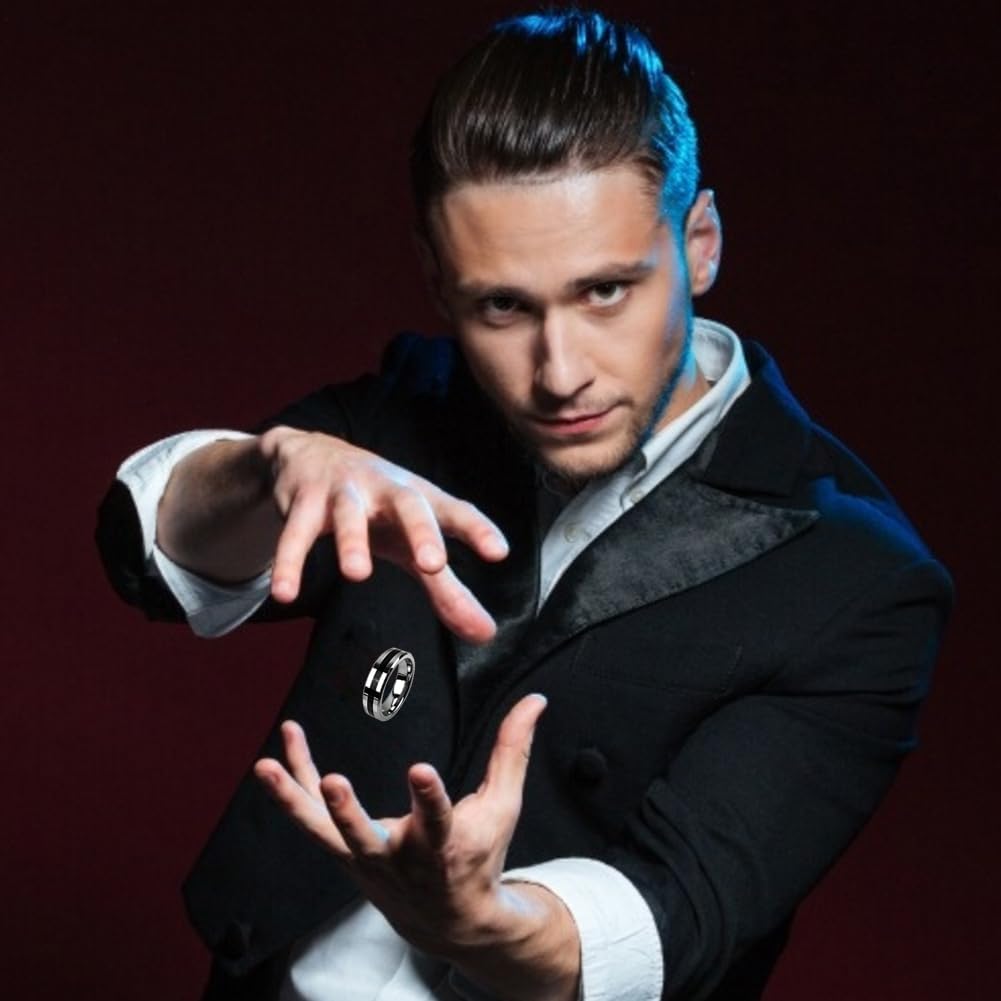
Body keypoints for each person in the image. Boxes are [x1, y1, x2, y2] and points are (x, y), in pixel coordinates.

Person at [96, 9, 952, 1001]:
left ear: (700, 244)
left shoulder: (856, 579)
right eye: (502, 306)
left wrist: (489, 925)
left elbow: (677, 911)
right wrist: (262, 469)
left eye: (605, 292)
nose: (558, 372)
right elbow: (150, 559)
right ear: (438, 280)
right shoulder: (415, 405)